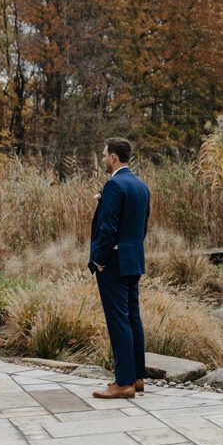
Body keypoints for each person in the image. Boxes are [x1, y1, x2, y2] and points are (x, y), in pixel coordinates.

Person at [88, 137, 151, 399]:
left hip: (113, 261)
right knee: (132, 318)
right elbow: (142, 225)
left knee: (118, 321)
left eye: (104, 155)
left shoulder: (114, 184)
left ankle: (123, 383)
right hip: (133, 259)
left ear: (114, 157)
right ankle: (136, 377)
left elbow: (108, 227)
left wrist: (100, 259)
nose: (103, 159)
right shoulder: (141, 185)